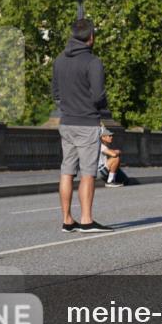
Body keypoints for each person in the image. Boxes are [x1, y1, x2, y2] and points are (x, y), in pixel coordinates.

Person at [51, 18, 113, 233]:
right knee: (88, 172)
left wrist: (68, 106)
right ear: (91, 37)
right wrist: (100, 109)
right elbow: (98, 95)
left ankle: (67, 220)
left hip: (66, 122)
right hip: (87, 122)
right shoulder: (92, 62)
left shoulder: (59, 60)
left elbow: (56, 94)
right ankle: (86, 219)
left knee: (67, 171)